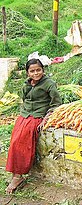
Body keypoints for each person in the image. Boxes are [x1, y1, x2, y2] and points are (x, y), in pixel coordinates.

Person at [5, 58, 62, 194]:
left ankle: (18, 176)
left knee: (24, 142)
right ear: (27, 73)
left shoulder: (49, 84)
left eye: (38, 70)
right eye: (32, 71)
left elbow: (56, 103)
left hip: (37, 116)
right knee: (14, 142)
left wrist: (46, 118)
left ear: (43, 70)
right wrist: (23, 113)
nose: (36, 73)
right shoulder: (26, 85)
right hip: (25, 115)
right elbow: (25, 100)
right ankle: (15, 173)